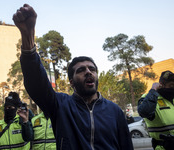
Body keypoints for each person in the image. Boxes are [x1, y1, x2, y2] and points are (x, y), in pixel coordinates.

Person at [13, 4, 133, 150]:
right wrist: (28, 35)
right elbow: (36, 83)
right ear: (71, 82)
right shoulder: (61, 105)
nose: (88, 72)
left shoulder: (114, 111)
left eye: (92, 69)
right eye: (81, 70)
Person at [138, 70, 174, 150]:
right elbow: (144, 111)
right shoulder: (150, 98)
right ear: (161, 85)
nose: (173, 88)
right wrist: (154, 90)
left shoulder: (172, 99)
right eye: (171, 85)